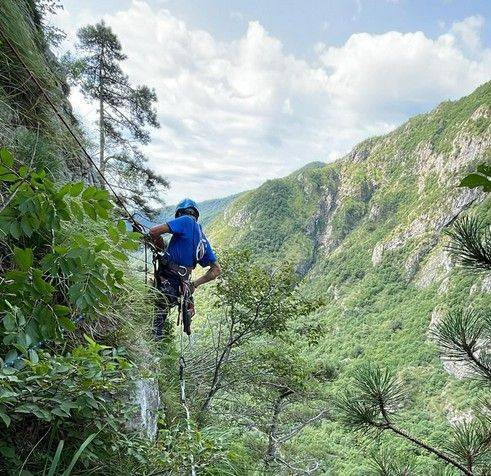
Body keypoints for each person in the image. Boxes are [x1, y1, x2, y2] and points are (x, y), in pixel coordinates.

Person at [149, 198, 221, 339]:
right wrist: (194, 284)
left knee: (154, 320)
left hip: (167, 279)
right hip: (181, 287)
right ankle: (154, 346)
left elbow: (153, 232)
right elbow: (216, 270)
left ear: (180, 213)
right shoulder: (202, 238)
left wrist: (159, 245)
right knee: (158, 319)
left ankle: (151, 349)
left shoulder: (185, 221)